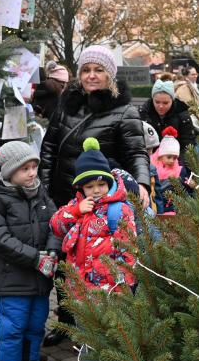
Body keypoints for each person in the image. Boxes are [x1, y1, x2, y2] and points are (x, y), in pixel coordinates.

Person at [39, 44, 150, 345]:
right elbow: (49, 148)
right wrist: (46, 190)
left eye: (98, 70)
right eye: (86, 70)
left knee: (94, 261)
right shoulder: (67, 103)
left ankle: (99, 324)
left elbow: (136, 152)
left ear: (109, 75)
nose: (91, 76)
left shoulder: (124, 111)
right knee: (65, 263)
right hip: (66, 196)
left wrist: (142, 183)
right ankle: (66, 321)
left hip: (100, 201)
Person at [0, 141, 61, 361]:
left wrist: (52, 250)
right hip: (11, 279)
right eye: (24, 168)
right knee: (12, 327)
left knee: (36, 324)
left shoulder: (42, 195)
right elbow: (0, 240)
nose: (32, 173)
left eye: (34, 166)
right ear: (8, 172)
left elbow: (56, 224)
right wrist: (35, 258)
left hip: (39, 278)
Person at [50, 137, 137, 293]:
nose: (96, 190)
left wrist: (124, 287)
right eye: (90, 186)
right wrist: (76, 211)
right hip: (80, 290)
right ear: (81, 187)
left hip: (109, 291)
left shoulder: (119, 210)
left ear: (109, 183)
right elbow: (55, 226)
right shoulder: (75, 205)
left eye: (101, 185)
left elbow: (129, 250)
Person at [138, 77, 196, 160]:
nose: (161, 106)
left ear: (172, 100)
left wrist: (177, 164)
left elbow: (188, 145)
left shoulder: (182, 114)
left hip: (175, 160)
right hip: (150, 160)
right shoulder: (144, 114)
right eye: (157, 102)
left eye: (165, 103)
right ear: (152, 99)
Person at [151, 127, 193, 214]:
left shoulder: (180, 171)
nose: (171, 160)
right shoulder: (152, 169)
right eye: (169, 157)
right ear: (160, 156)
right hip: (155, 209)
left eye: (174, 158)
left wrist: (191, 186)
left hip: (174, 210)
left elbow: (186, 193)